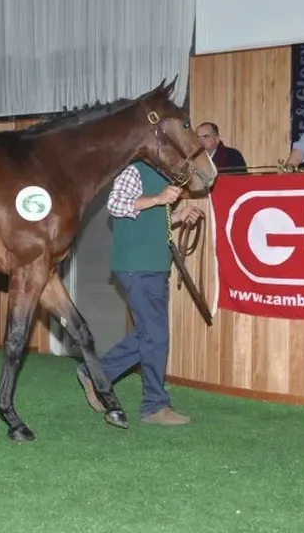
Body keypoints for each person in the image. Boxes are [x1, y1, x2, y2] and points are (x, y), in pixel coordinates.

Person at [76, 160, 203, 425]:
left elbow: (152, 220)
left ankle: (94, 373)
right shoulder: (133, 170)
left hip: (153, 265)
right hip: (138, 266)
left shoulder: (159, 174)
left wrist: (178, 216)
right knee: (155, 336)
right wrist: (158, 198)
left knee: (150, 334)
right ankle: (154, 406)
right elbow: (116, 205)